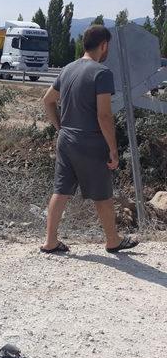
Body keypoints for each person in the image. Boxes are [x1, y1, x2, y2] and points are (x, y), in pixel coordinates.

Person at [41, 25, 138, 254]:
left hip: (66, 139)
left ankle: (50, 241)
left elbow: (47, 100)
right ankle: (112, 240)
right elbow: (104, 115)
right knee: (103, 193)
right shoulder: (101, 72)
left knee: (61, 190)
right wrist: (113, 149)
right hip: (90, 141)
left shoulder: (67, 69)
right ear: (104, 45)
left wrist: (60, 127)